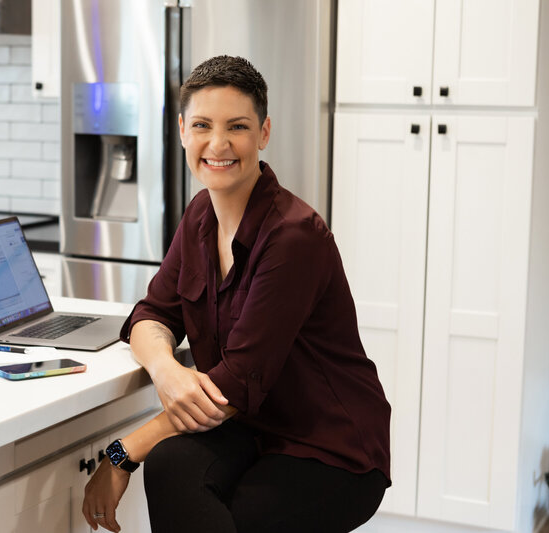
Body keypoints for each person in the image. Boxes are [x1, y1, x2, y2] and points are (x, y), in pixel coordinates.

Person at [81, 55, 391, 533]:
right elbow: (152, 313)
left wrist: (120, 454)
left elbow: (234, 387)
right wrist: (167, 372)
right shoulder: (200, 214)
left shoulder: (293, 236)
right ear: (183, 130)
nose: (218, 144)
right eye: (203, 124)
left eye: (238, 127)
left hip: (328, 446)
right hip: (250, 430)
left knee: (228, 515)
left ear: (263, 133)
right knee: (171, 465)